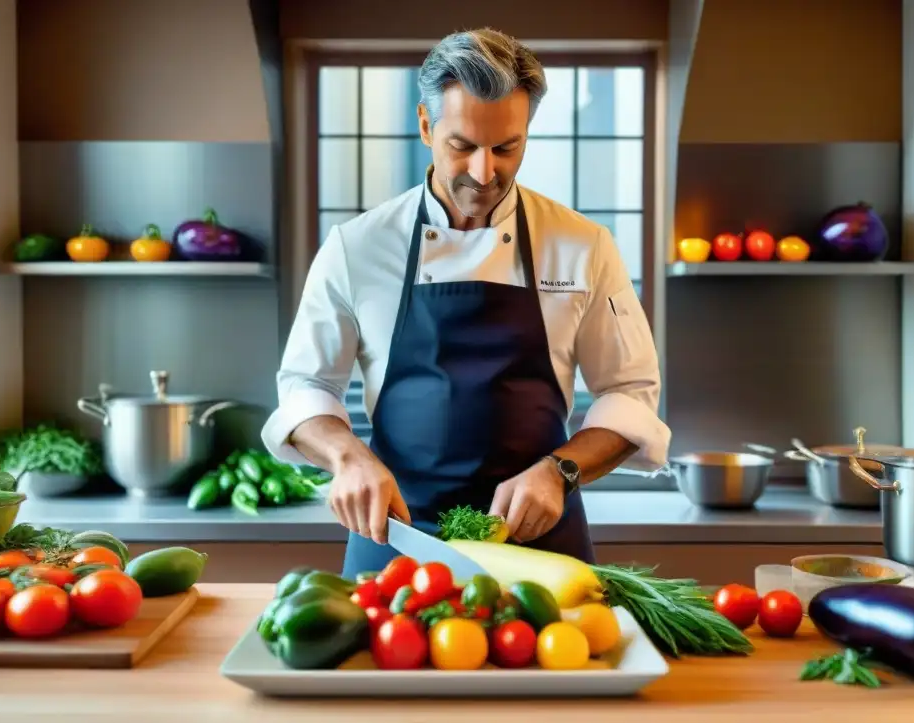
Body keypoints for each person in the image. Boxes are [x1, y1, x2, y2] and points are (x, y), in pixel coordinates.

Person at [262, 28, 671, 579]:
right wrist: (348, 457)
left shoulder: (583, 246)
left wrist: (560, 472)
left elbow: (629, 395)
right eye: (463, 146)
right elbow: (305, 387)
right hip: (395, 542)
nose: (485, 173)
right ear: (427, 126)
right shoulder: (357, 247)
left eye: (507, 148)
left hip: (540, 549)